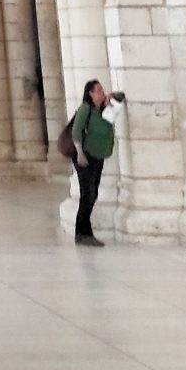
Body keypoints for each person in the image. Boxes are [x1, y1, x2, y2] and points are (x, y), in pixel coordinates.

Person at [70, 77, 121, 245]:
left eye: (102, 90)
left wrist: (111, 97)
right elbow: (76, 130)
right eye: (98, 90)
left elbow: (121, 96)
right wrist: (80, 153)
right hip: (85, 156)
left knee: (93, 194)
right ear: (90, 93)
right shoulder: (86, 108)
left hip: (98, 156)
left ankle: (83, 233)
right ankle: (83, 233)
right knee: (88, 194)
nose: (102, 92)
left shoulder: (105, 110)